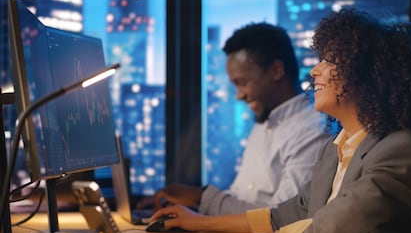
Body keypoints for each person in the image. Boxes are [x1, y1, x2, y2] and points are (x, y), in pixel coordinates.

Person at [148, 8, 411, 233]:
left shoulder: (401, 147)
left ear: (369, 76)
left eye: (330, 61)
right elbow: (286, 214)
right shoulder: (335, 150)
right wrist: (198, 223)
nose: (314, 71)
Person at [137, 22, 333, 215]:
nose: (239, 95)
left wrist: (201, 198)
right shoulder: (264, 123)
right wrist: (193, 209)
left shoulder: (313, 129)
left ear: (276, 70)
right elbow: (243, 198)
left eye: (243, 83)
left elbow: (281, 216)